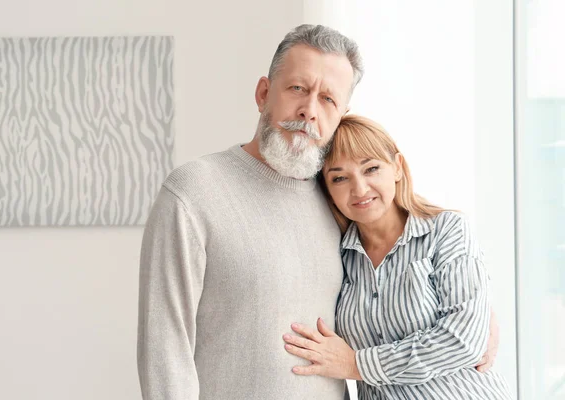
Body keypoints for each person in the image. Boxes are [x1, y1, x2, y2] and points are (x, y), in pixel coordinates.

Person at [137, 24, 498, 400]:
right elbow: (165, 343)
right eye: (297, 88)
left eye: (327, 99)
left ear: (341, 114)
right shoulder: (195, 190)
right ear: (263, 93)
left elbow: (400, 273)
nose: (309, 110)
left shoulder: (338, 200)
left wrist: (479, 317)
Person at [282, 115, 512, 399]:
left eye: (371, 169)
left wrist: (357, 365)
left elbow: (464, 340)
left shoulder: (446, 229)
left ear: (397, 168)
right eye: (340, 178)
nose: (360, 189)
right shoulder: (335, 253)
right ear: (327, 190)